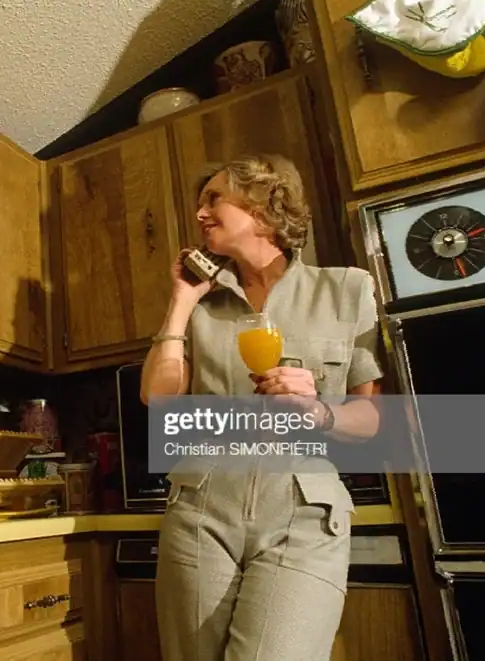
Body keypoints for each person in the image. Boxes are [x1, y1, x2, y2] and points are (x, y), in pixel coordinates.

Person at [140, 153, 385, 661]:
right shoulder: (202, 302)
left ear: (263, 206)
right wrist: (181, 303)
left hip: (303, 508)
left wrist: (319, 410)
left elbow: (369, 422)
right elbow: (157, 399)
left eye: (214, 198)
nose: (201, 214)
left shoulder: (347, 288)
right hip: (202, 504)